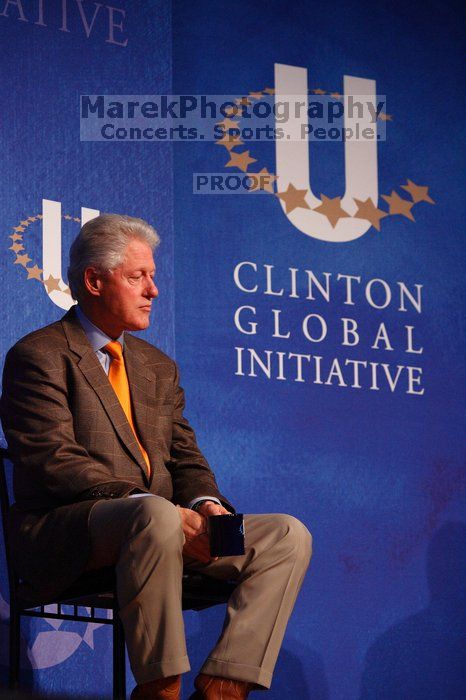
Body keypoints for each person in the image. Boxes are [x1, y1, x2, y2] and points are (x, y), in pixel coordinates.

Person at [0, 214, 312, 700]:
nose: (154, 290)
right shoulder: (39, 355)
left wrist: (207, 504)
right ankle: (160, 688)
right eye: (137, 277)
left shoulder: (157, 368)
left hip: (165, 526)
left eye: (153, 275)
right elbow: (52, 459)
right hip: (68, 532)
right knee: (154, 515)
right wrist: (159, 508)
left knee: (285, 535)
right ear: (94, 281)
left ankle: (224, 687)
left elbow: (185, 458)